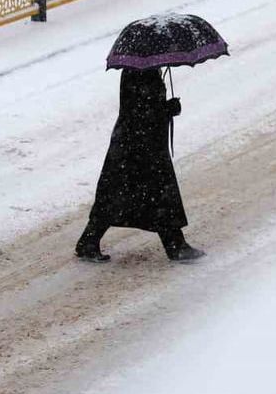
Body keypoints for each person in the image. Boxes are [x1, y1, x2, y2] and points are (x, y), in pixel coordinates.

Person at [76, 68, 205, 263]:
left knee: (118, 195)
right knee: (158, 195)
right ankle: (175, 245)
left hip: (135, 144)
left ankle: (89, 241)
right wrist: (167, 110)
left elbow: (144, 108)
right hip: (139, 146)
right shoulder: (140, 72)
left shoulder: (143, 69)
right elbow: (141, 111)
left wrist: (165, 108)